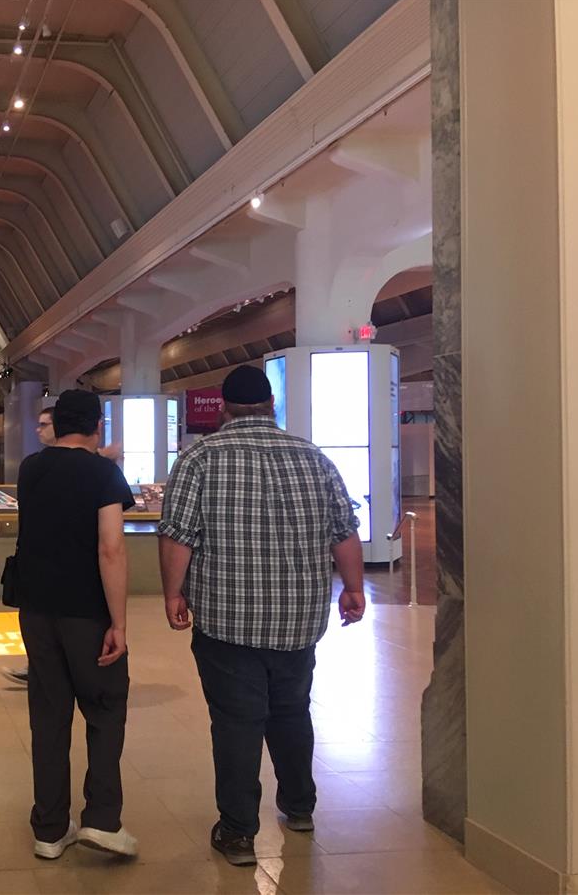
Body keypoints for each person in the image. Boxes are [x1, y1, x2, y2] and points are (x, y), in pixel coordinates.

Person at [157, 365, 365, 866]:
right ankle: (298, 808)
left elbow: (177, 534)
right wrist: (355, 587)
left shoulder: (199, 458)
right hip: (298, 619)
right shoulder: (313, 457)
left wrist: (172, 594)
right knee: (292, 711)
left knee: (235, 722)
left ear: (223, 408)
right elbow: (344, 530)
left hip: (227, 621)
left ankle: (238, 832)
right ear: (271, 403)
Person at [15, 389, 138, 859]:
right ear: (97, 425)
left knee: (48, 716)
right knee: (105, 710)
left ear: (57, 423)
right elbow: (111, 548)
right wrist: (119, 623)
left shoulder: (31, 468)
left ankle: (49, 829)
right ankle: (102, 820)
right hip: (87, 613)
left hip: (37, 611)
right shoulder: (104, 474)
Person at [0, 408, 57, 687]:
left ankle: (42, 670)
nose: (38, 429)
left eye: (44, 424)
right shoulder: (34, 464)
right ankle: (38, 666)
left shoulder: (33, 466)